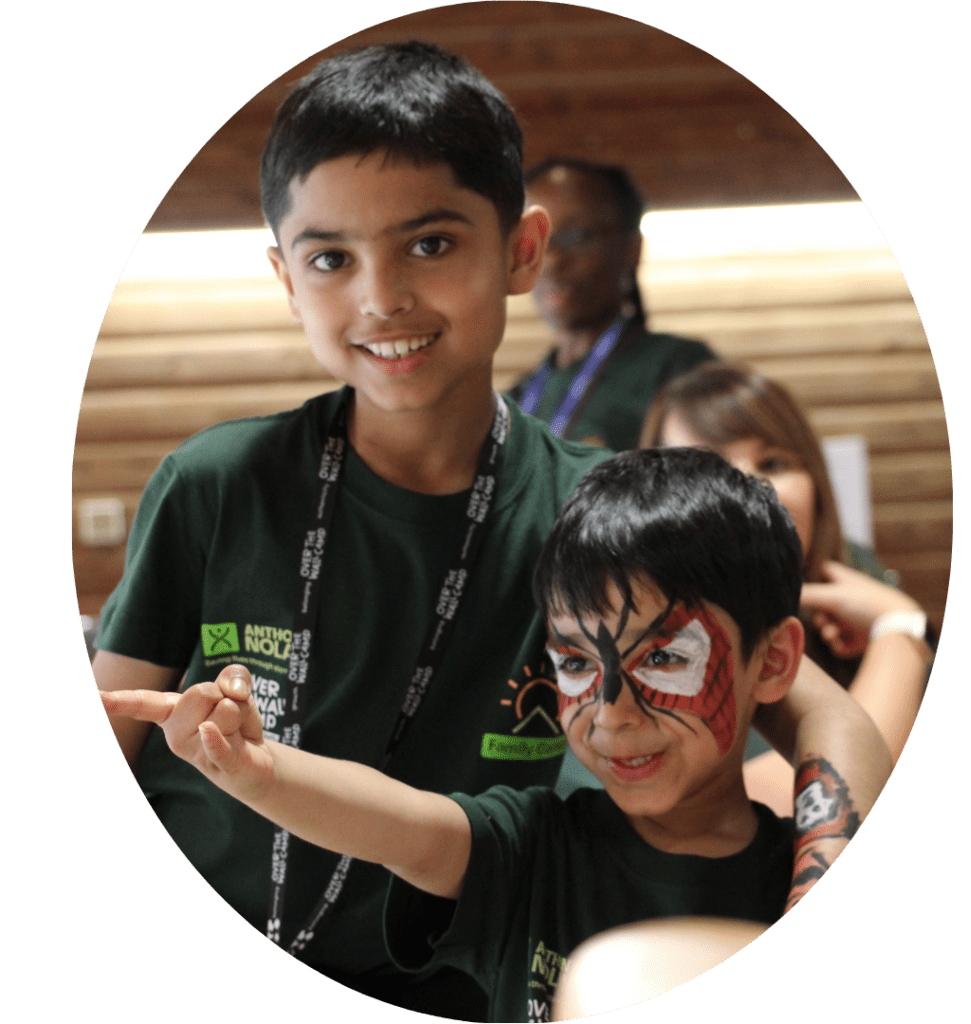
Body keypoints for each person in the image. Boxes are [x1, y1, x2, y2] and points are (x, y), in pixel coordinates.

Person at [91, 41, 605, 1019]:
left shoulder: (595, 513)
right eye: (331, 258)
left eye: (430, 243)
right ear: (286, 277)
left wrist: (884, 643)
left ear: (521, 251)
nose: (381, 297)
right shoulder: (216, 482)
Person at [99, 448, 892, 1024]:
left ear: (776, 660)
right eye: (577, 663)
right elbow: (396, 822)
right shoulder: (533, 846)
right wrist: (253, 770)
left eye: (665, 657)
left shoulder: (803, 873)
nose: (611, 710)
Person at [640, 363, 932, 807]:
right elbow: (816, 802)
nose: (755, 486)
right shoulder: (647, 642)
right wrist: (900, 629)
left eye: (773, 462)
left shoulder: (855, 575)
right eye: (708, 465)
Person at [506, 158, 713, 451]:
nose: (551, 260)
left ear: (631, 249)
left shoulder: (679, 369)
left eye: (575, 237)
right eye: (533, 242)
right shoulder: (520, 396)